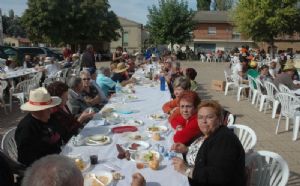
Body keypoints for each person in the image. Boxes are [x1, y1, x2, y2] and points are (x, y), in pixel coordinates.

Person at [171, 100, 246, 186]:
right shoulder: (207, 133)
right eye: (200, 117)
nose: (204, 121)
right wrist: (186, 149)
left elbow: (219, 176)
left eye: (209, 117)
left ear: (219, 120)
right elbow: (201, 151)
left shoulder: (225, 139)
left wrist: (186, 170)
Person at [15, 87, 63, 166]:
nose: (51, 111)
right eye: (48, 109)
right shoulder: (26, 129)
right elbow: (26, 161)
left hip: (57, 159)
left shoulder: (48, 119)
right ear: (38, 111)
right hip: (42, 169)